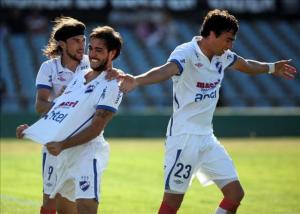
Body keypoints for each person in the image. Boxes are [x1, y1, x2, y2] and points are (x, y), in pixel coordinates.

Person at [115, 9, 297, 214]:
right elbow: (166, 70)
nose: (230, 46)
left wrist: (272, 67)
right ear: (211, 34)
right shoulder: (186, 52)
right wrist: (137, 80)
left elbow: (246, 65)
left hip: (206, 138)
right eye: (228, 40)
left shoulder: (224, 56)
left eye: (232, 41)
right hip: (184, 138)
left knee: (235, 194)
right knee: (172, 203)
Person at [16, 26, 123, 214]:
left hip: (87, 152)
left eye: (99, 50)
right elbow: (60, 111)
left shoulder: (113, 83)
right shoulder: (80, 76)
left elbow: (96, 128)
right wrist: (31, 130)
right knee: (63, 210)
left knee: (87, 208)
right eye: (91, 48)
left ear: (112, 53)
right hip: (63, 153)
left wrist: (62, 145)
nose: (92, 54)